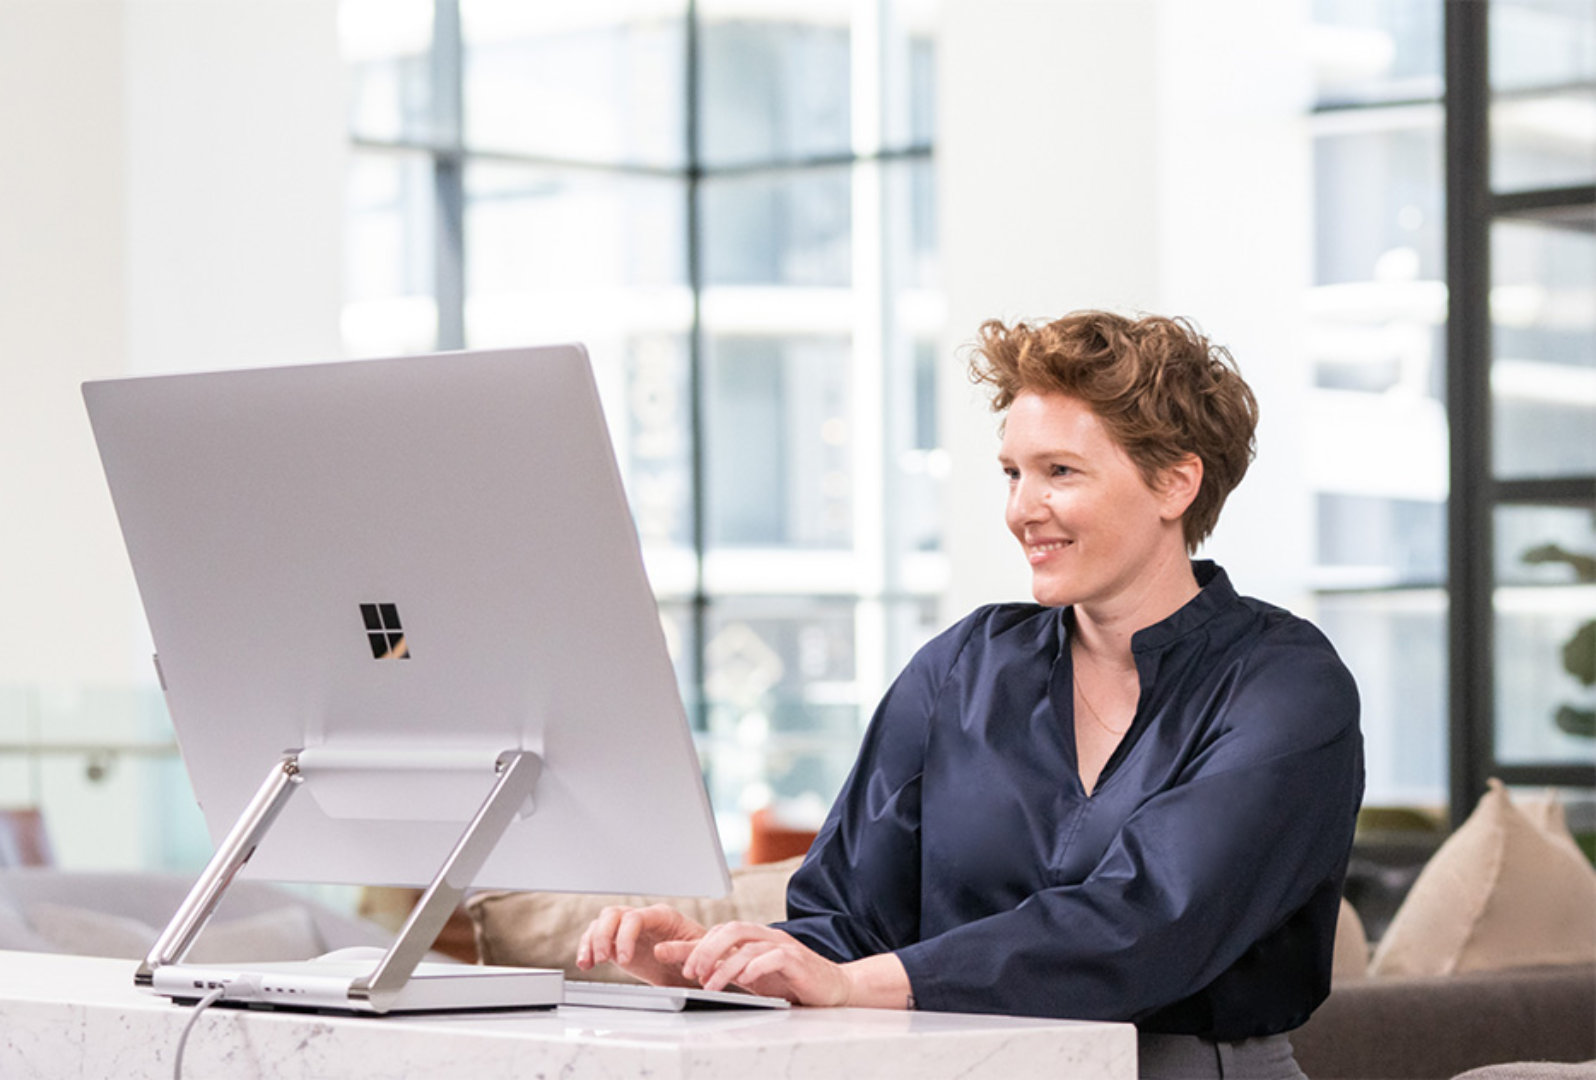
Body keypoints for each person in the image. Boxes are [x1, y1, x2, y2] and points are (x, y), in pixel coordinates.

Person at [578, 311, 1364, 1080]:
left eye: (1060, 472)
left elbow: (1154, 920)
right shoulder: (962, 667)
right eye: (1012, 474)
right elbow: (849, 914)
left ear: (1175, 483)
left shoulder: (1285, 684)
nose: (1022, 509)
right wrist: (722, 967)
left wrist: (861, 986)